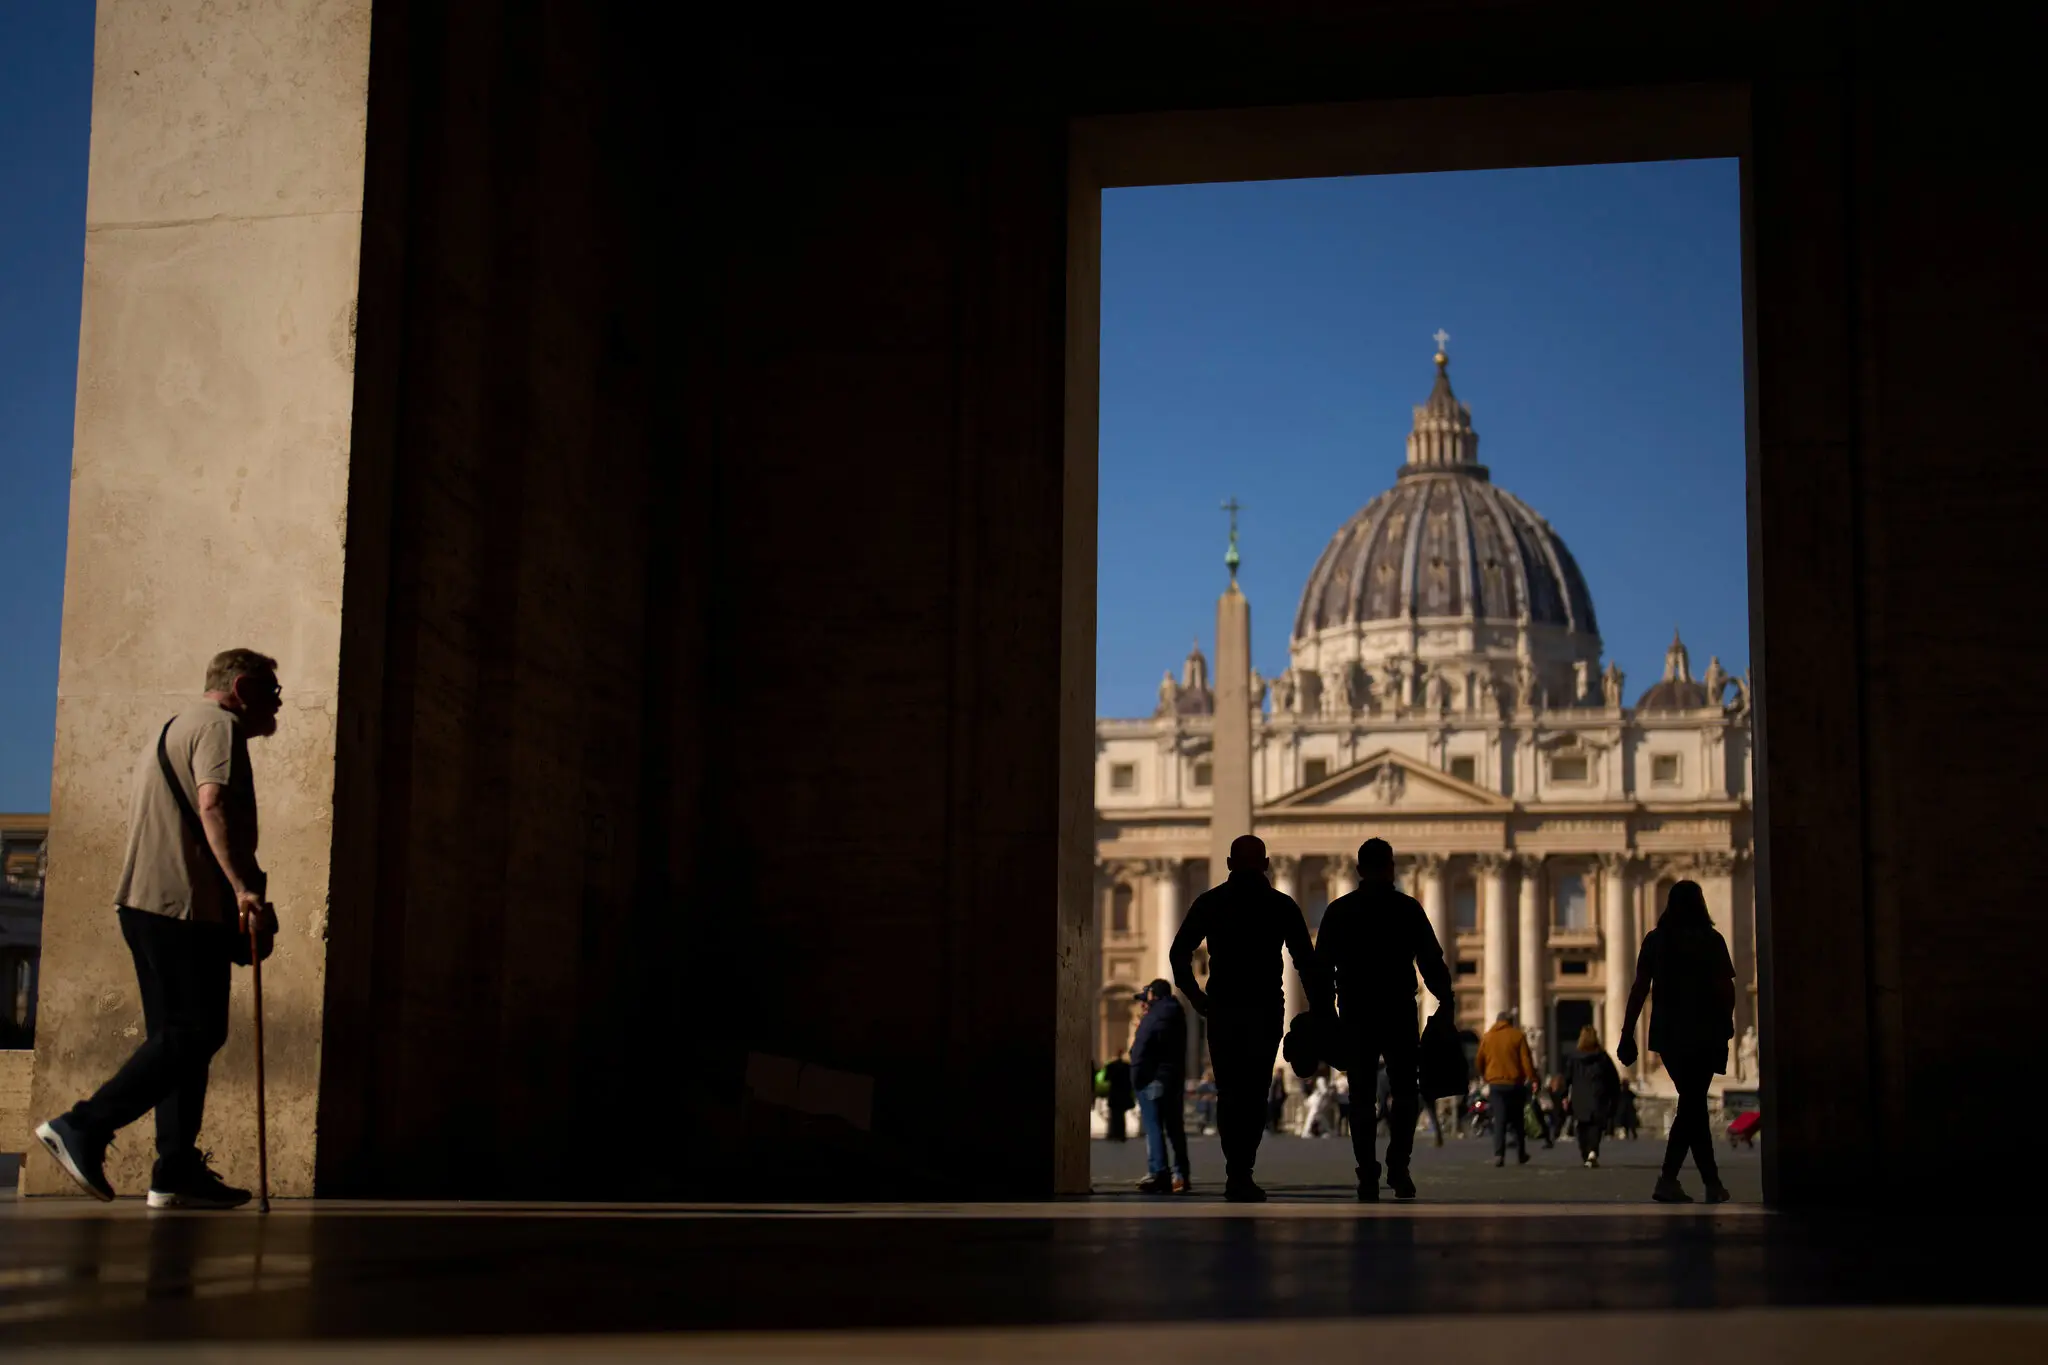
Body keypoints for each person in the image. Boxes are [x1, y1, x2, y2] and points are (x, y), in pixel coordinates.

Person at [35, 649, 283, 1209]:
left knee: (178, 1040)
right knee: (196, 1032)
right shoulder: (219, 727)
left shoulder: (177, 727)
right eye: (271, 690)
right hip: (179, 907)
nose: (279, 702)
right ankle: (84, 1126)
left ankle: (174, 1169)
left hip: (152, 906)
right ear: (241, 687)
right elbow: (212, 806)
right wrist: (244, 888)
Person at [1170, 833, 1326, 1202]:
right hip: (1265, 1007)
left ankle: (1235, 1170)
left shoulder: (1210, 903)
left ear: (1227, 864)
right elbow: (1306, 961)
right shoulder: (1281, 905)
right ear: (1267, 865)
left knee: (1229, 1092)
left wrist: (1195, 995)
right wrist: (1320, 1009)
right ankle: (1243, 1170)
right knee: (1255, 1092)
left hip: (1223, 1008)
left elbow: (1179, 954)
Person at [1311, 837, 1455, 1201]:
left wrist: (1326, 1013)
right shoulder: (1407, 908)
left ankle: (1367, 1175)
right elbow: (1430, 960)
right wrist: (1446, 998)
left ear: (1359, 870)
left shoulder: (1339, 911)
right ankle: (1399, 1166)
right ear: (1391, 867)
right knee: (1406, 1092)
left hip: (1356, 1012)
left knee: (1361, 1098)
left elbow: (1320, 969)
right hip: (1398, 1011)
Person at [1619, 879, 1737, 1203]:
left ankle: (1701, 1183)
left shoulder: (1656, 941)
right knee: (1693, 1102)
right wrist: (1727, 1023)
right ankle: (1681, 1180)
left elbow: (1639, 988)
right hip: (1705, 1031)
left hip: (1669, 1034)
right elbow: (1726, 989)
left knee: (1692, 1103)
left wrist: (1627, 1032)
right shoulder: (1712, 941)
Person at [1129, 979, 1191, 1193]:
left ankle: (1159, 1173)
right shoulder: (1178, 1014)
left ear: (1152, 995)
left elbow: (1140, 1049)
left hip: (1152, 1078)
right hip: (1173, 1077)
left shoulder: (1153, 1017)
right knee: (1175, 1128)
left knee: (1154, 1127)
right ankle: (1181, 1174)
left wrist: (1136, 1077)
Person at [1476, 1010, 1538, 1167]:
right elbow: (1526, 1061)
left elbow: (1479, 1060)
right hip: (1515, 1083)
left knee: (1500, 1120)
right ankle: (1521, 1153)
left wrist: (1486, 1075)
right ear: (1511, 1022)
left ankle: (1499, 1154)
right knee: (1518, 1120)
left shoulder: (1488, 1037)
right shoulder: (1518, 1036)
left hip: (1496, 1084)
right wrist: (1533, 1078)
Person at [1564, 1025, 1623, 1167]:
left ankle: (1587, 1153)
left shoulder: (1574, 1057)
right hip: (1598, 1096)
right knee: (1595, 1126)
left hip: (1579, 1097)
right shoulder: (1602, 1057)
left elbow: (1567, 1078)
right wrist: (1614, 1098)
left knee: (1582, 1127)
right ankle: (1592, 1152)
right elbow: (1613, 1079)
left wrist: (1564, 1095)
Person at [1104, 1050, 1134, 1142]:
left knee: (1114, 1115)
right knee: (1121, 1116)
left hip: (1114, 1094)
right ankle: (1121, 1134)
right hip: (1123, 1094)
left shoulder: (1111, 1066)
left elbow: (1106, 1078)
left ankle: (1114, 1133)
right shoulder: (1127, 1067)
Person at [1192, 1067, 1219, 1135]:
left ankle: (1209, 1126)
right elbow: (1198, 1093)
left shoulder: (1212, 1085)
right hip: (1203, 1105)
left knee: (1211, 1114)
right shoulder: (1204, 1085)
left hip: (1211, 1104)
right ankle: (1203, 1125)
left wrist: (1211, 1096)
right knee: (1203, 1115)